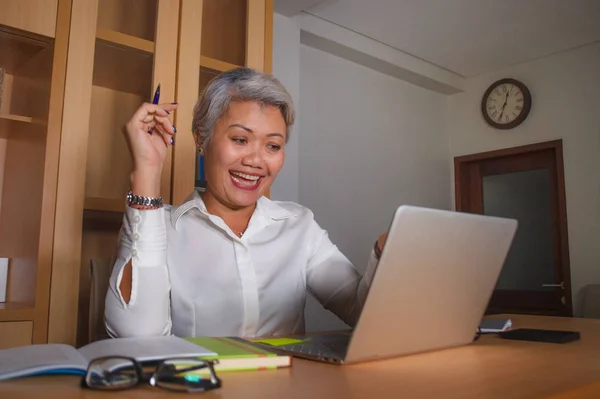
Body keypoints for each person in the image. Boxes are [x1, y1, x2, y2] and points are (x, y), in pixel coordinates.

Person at [105, 67, 387, 339]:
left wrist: (385, 254)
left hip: (288, 387)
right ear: (201, 138)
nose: (255, 161)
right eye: (240, 139)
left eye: (273, 146)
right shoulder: (158, 228)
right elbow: (137, 336)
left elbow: (363, 314)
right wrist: (147, 170)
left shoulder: (299, 225)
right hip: (201, 386)